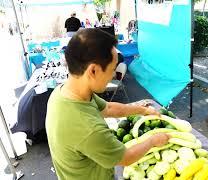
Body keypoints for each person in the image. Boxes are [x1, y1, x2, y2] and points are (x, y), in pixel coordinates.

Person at [46, 28, 170, 180]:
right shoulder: (89, 129)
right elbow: (126, 157)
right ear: (93, 71)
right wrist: (153, 140)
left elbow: (109, 108)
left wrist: (142, 111)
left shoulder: (63, 92)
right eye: (112, 69)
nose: (113, 75)